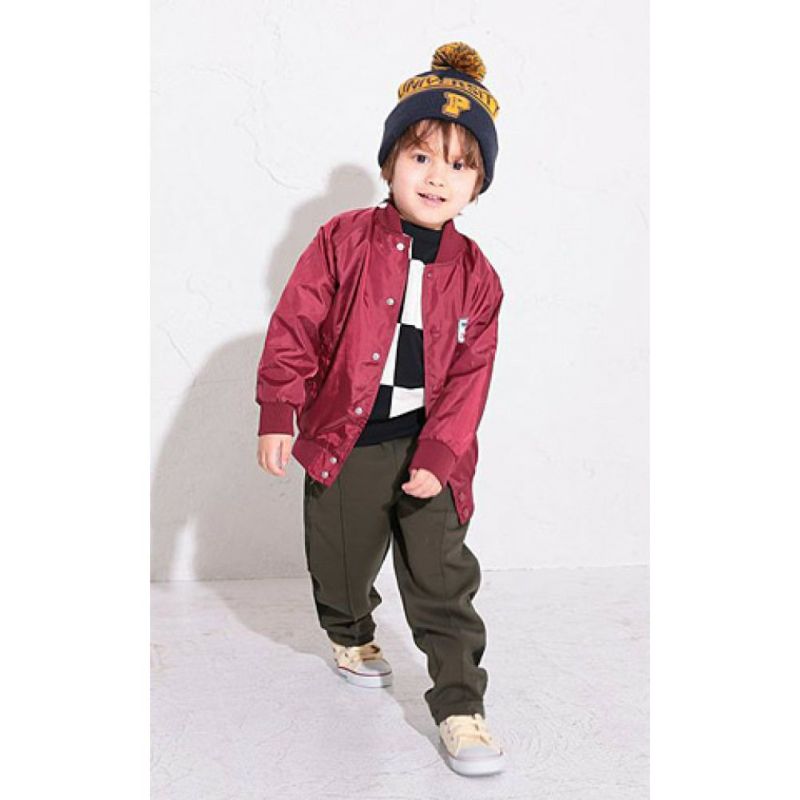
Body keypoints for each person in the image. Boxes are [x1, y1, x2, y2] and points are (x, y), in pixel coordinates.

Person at [255, 42, 506, 777]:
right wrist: (278, 407)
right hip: (350, 437)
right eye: (421, 156)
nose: (436, 177)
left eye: (458, 165)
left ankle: (460, 704)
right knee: (339, 559)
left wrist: (442, 453)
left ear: (477, 185)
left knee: (442, 578)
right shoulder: (342, 241)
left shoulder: (479, 278)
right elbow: (296, 323)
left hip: (432, 447)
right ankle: (349, 629)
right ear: (391, 163)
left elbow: (472, 378)